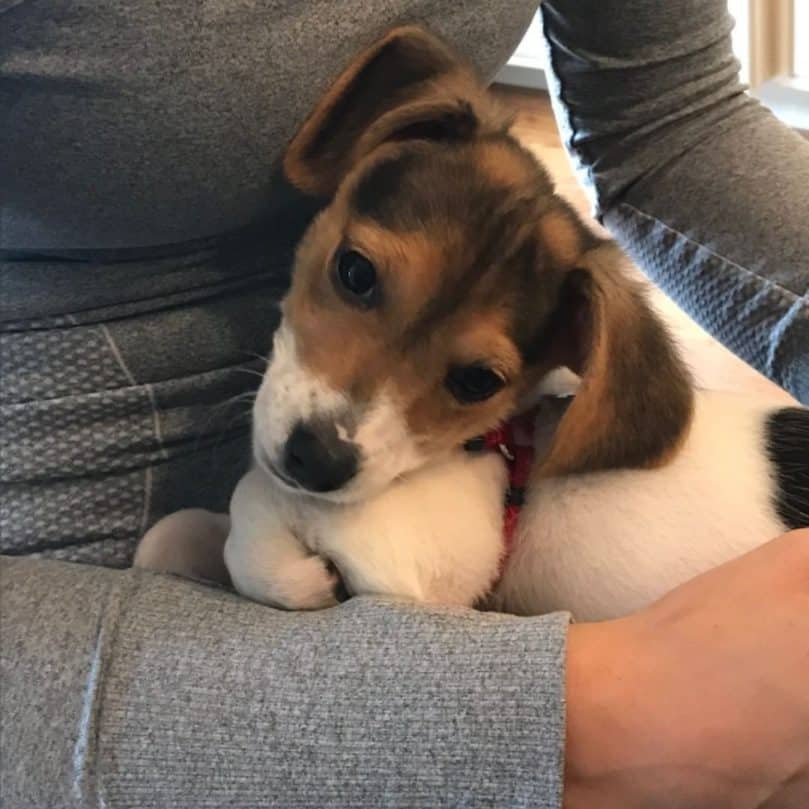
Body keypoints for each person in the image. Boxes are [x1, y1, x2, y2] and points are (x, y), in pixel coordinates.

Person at [1, 1, 807, 807]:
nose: (344, 422)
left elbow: (671, 121)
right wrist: (596, 725)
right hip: (66, 628)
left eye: (468, 380)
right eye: (359, 276)